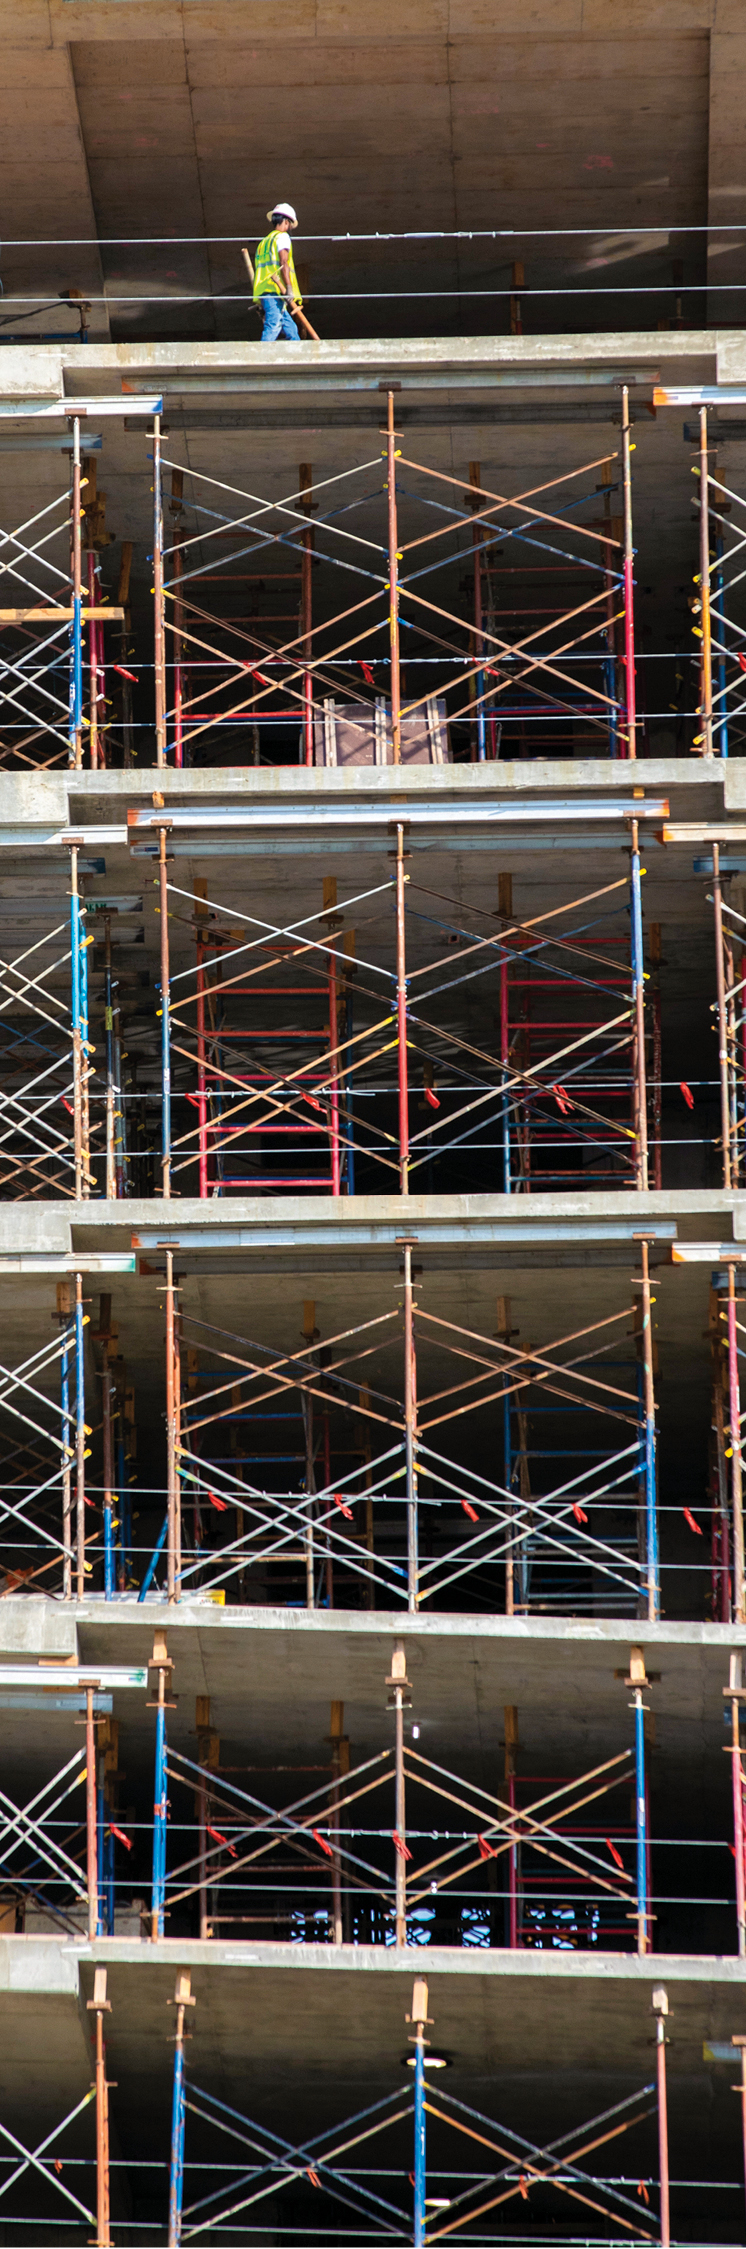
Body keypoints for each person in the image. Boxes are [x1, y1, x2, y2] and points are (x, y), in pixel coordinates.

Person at [251, 203, 302, 342]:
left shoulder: (264, 242)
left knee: (291, 329)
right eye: (290, 225)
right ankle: (263, 356)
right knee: (273, 325)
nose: (290, 228)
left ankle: (297, 350)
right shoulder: (282, 237)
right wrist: (289, 288)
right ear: (286, 221)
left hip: (265, 290)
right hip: (274, 289)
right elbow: (283, 262)